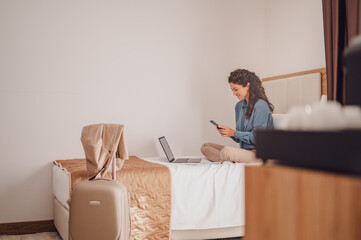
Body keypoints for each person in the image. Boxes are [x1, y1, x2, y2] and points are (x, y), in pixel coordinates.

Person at [201, 69, 274, 163]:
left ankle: (226, 159)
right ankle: (227, 159)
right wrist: (228, 132)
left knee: (226, 151)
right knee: (205, 147)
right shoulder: (239, 107)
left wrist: (234, 133)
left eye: (236, 89)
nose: (234, 94)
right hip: (244, 152)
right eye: (232, 90)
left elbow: (258, 139)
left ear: (247, 85)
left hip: (259, 153)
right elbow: (239, 138)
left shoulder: (260, 105)